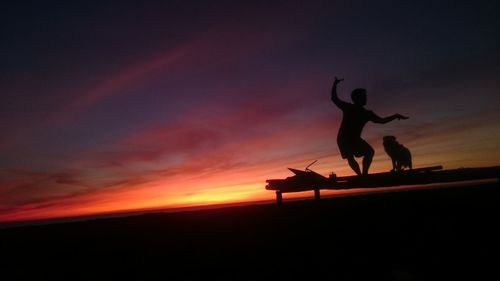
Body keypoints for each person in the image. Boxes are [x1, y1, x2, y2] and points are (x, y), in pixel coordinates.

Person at [331, 77, 408, 175]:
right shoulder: (349, 107)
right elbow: (334, 98)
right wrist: (335, 84)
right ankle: (360, 176)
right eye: (364, 96)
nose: (366, 98)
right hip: (343, 138)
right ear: (357, 98)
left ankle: (364, 175)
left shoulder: (367, 113)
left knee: (369, 152)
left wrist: (395, 116)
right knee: (350, 157)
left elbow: (381, 121)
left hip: (355, 138)